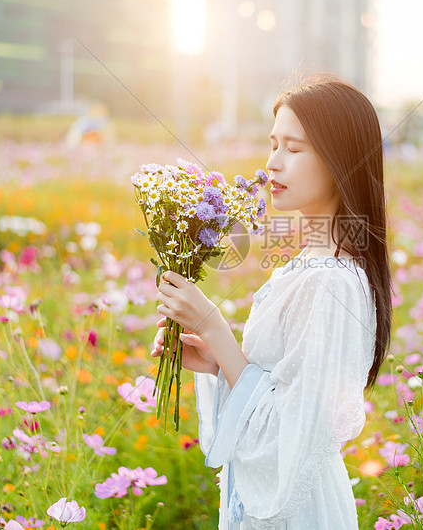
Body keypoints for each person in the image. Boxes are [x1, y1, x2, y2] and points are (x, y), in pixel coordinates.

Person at [151, 74, 393, 529]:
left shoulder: (332, 283)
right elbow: (285, 388)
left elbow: (292, 437)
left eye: (294, 149)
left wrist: (212, 324)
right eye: (273, 144)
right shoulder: (311, 263)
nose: (272, 164)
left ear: (341, 161)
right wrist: (219, 360)